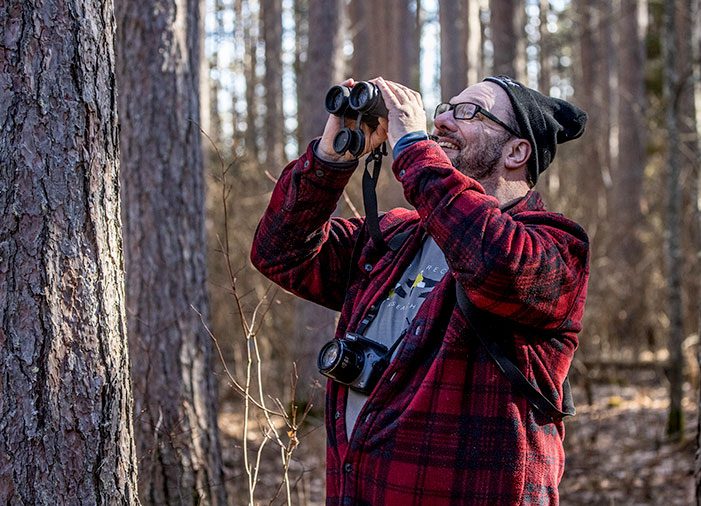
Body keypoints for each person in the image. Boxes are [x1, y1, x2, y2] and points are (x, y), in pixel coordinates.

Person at [251, 75, 589, 505]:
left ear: (517, 151)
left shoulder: (556, 246)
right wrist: (329, 158)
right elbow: (280, 252)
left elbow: (491, 262)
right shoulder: (396, 235)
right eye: (445, 108)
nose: (443, 120)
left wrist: (412, 146)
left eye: (468, 112)